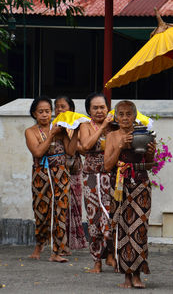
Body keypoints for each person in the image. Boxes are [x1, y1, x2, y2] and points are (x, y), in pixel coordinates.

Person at [104, 100, 156, 289]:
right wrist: (120, 146)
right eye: (121, 114)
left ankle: (137, 275)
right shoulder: (111, 136)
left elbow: (151, 163)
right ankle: (126, 276)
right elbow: (107, 165)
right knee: (122, 229)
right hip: (119, 185)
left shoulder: (143, 134)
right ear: (116, 117)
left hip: (140, 184)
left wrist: (151, 152)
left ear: (135, 116)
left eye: (129, 114)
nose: (125, 118)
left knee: (139, 228)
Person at [25, 96, 79, 262]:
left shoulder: (60, 128)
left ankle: (58, 251)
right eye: (40, 111)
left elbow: (70, 151)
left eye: (47, 111)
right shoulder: (30, 131)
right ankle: (39, 245)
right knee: (41, 211)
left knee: (60, 210)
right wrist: (51, 135)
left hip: (61, 174)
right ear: (34, 113)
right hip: (41, 176)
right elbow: (38, 152)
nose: (44, 115)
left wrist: (75, 131)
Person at [79, 92, 116, 273]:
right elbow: (86, 146)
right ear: (89, 111)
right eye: (95, 108)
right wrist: (102, 128)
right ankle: (97, 261)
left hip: (112, 176)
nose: (100, 111)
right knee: (94, 219)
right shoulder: (85, 126)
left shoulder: (115, 126)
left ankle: (111, 254)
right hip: (91, 177)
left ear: (108, 108)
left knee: (111, 216)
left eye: (102, 107)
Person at [54, 96, 88, 252]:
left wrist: (72, 134)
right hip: (57, 172)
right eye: (57, 107)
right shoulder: (54, 126)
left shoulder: (78, 125)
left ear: (71, 109)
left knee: (74, 207)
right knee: (60, 208)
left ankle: (75, 240)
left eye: (63, 106)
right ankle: (62, 241)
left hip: (74, 171)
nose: (60, 110)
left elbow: (82, 148)